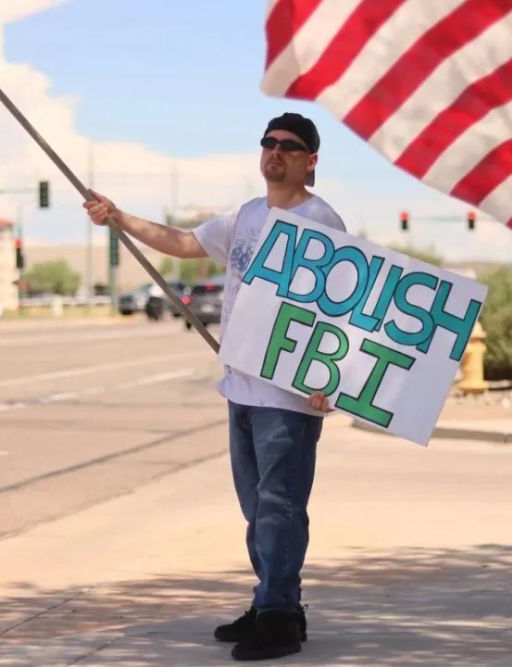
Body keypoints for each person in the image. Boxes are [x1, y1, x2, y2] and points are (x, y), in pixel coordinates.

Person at [85, 113, 344, 661]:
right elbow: (181, 242)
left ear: (310, 161)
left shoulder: (323, 221)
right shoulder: (245, 216)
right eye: (269, 143)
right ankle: (275, 602)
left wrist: (330, 381)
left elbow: (342, 309)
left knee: (281, 505)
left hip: (289, 396)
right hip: (242, 388)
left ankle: (277, 618)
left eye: (290, 146)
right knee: (257, 507)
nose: (276, 152)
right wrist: (120, 219)